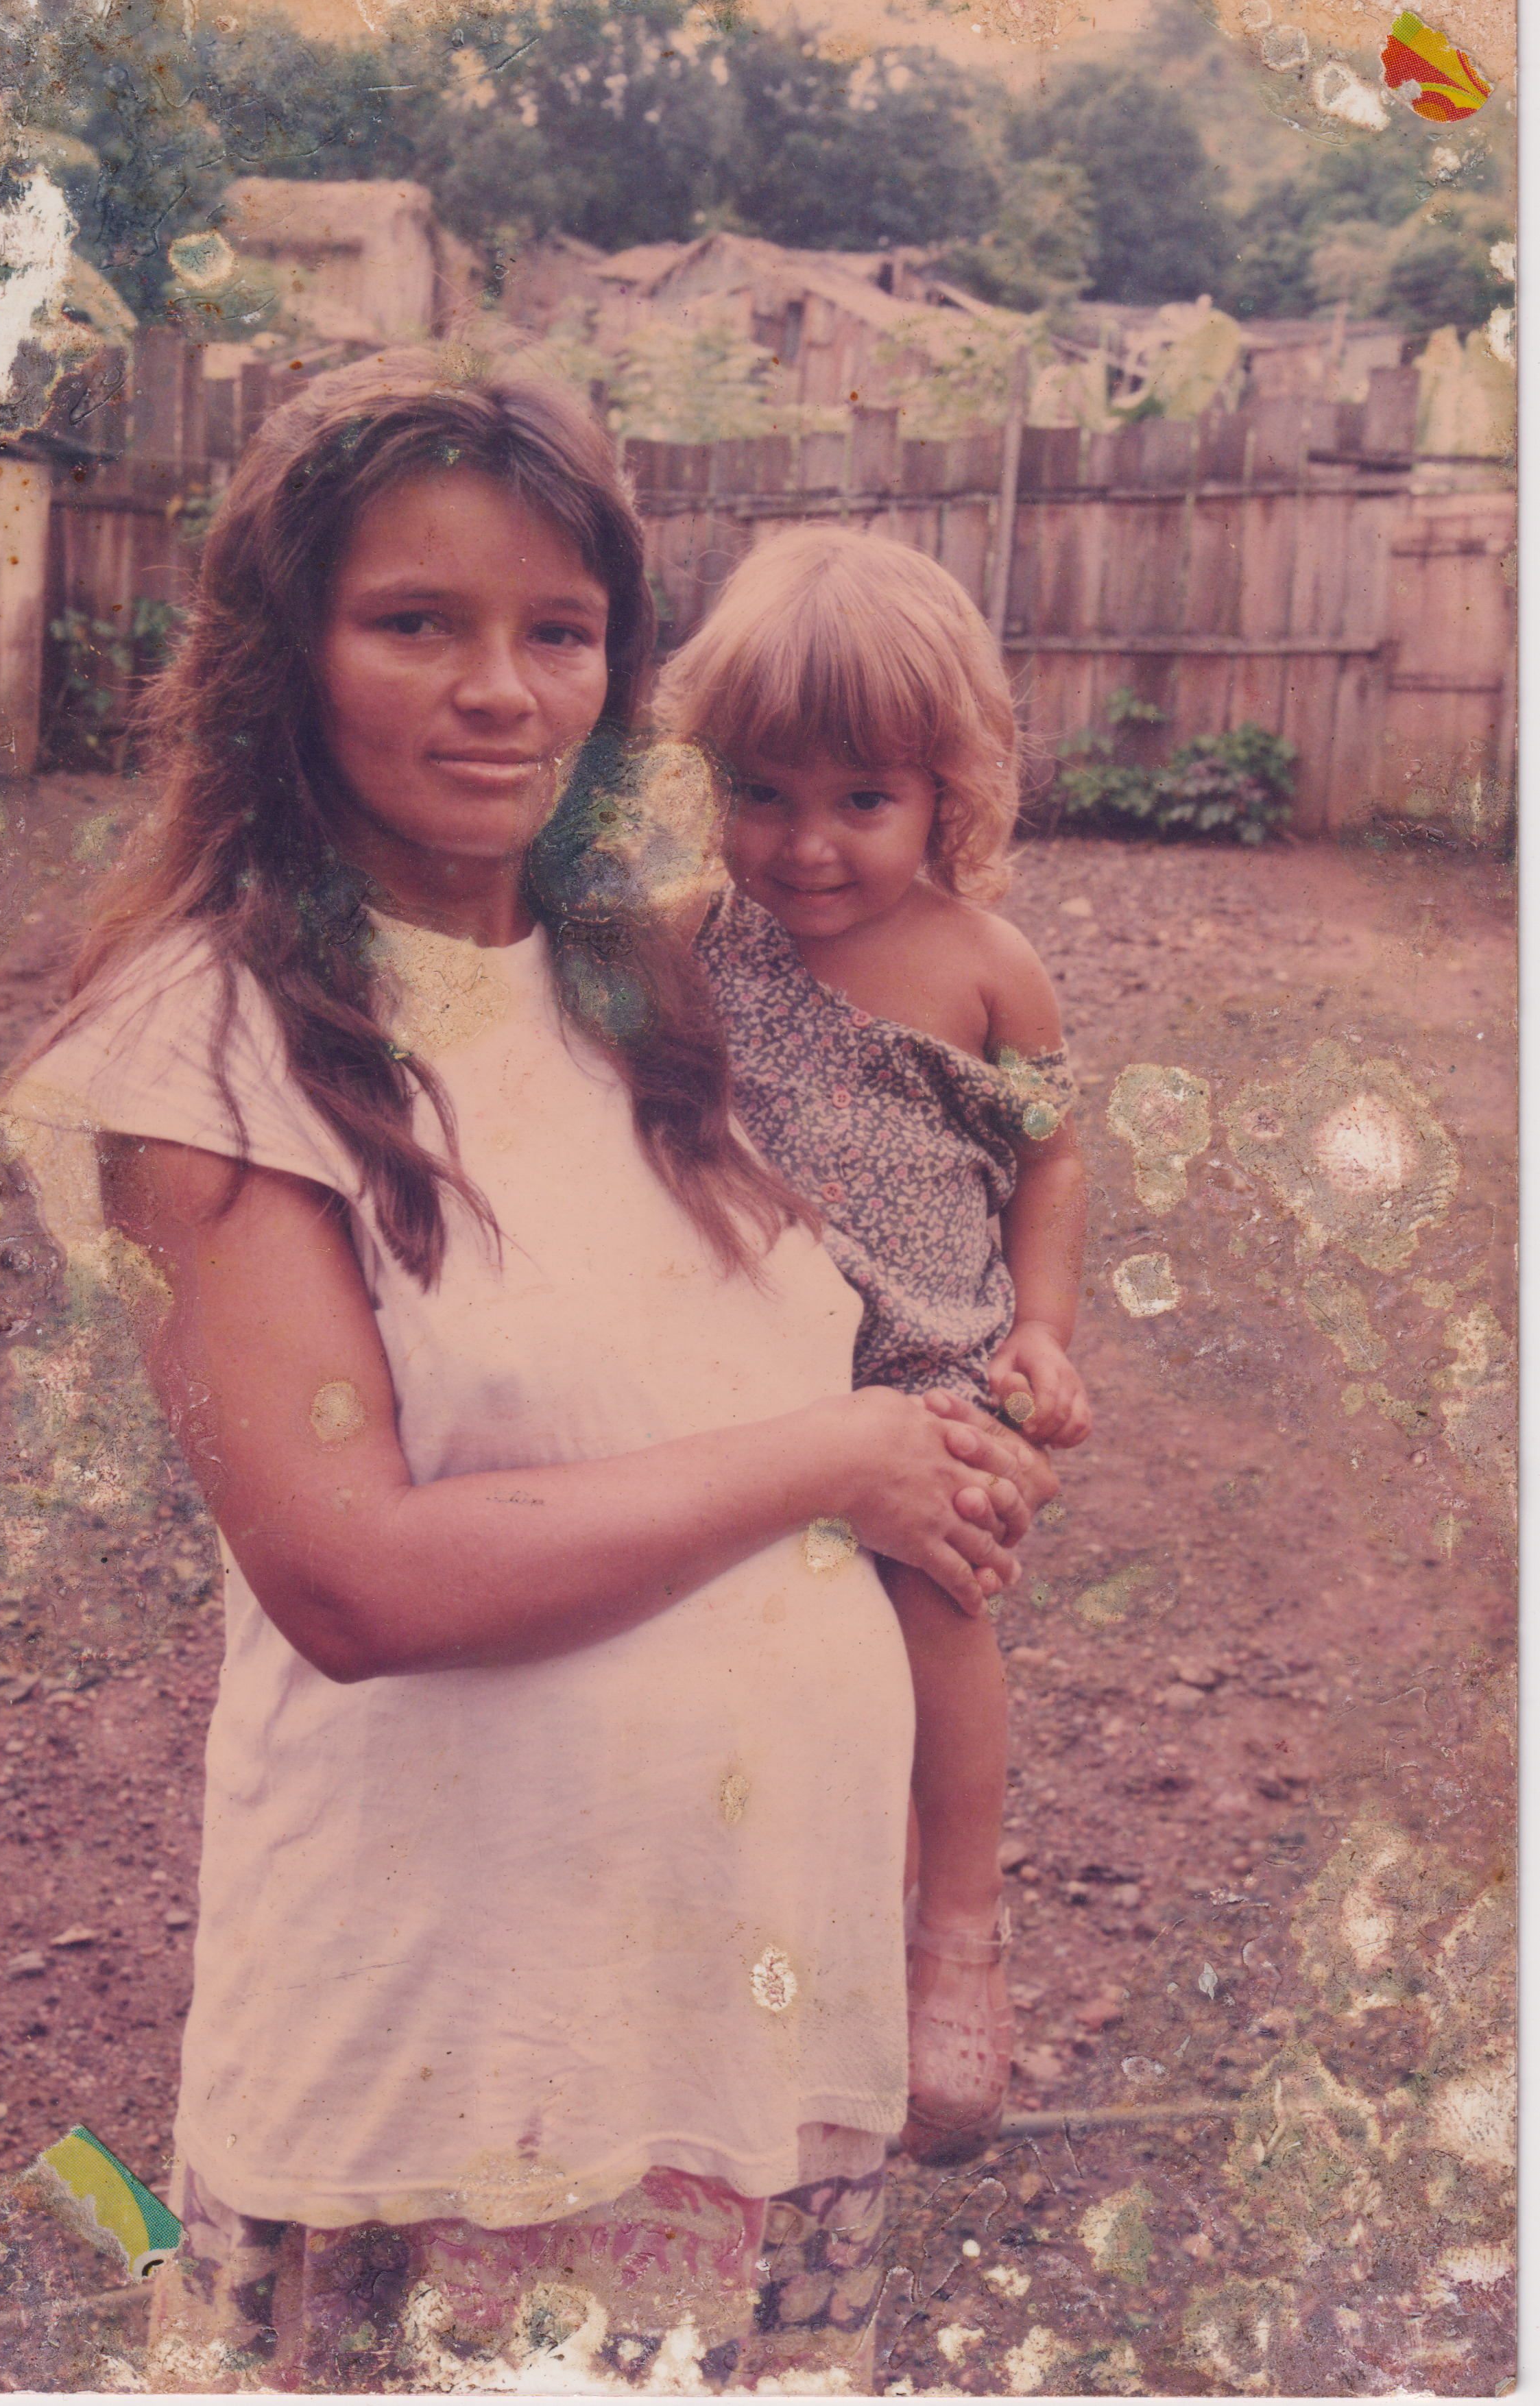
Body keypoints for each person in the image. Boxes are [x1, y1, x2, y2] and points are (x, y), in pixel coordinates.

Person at [5, 350, 1056, 2392]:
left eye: (558, 633)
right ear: (285, 654)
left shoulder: (668, 984)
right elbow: (355, 1580)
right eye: (417, 623)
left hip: (756, 2044)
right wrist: (842, 1452)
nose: (502, 691)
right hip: (458, 2089)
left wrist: (983, 1400)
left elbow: (913, 1256)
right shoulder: (206, 1046)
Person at [655, 524, 1091, 2164]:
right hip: (735, 1371)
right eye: (762, 792)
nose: (807, 844)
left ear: (945, 791)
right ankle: (777, 1952)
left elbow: (1050, 1154)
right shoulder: (686, 940)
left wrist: (1042, 1329)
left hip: (924, 1370)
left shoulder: (989, 968)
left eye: (861, 800)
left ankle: (955, 1929)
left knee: (931, 1612)